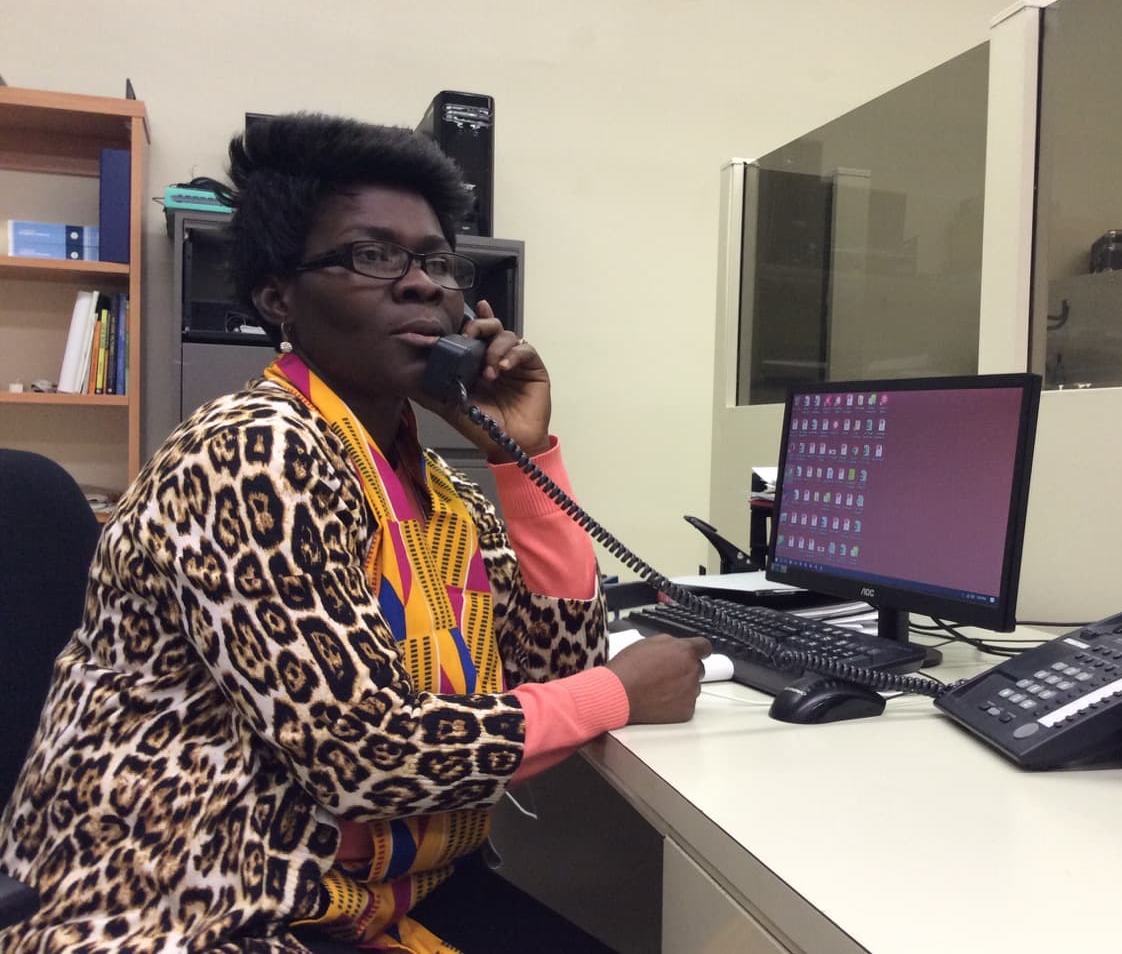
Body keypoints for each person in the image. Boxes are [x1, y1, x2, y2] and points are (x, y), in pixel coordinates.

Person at [0, 112, 709, 953]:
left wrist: (526, 457)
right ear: (277, 297)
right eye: (373, 256)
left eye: (436, 261)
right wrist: (620, 692)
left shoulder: (429, 483)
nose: (420, 285)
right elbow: (366, 756)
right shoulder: (250, 452)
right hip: (191, 905)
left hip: (362, 894)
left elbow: (556, 666)